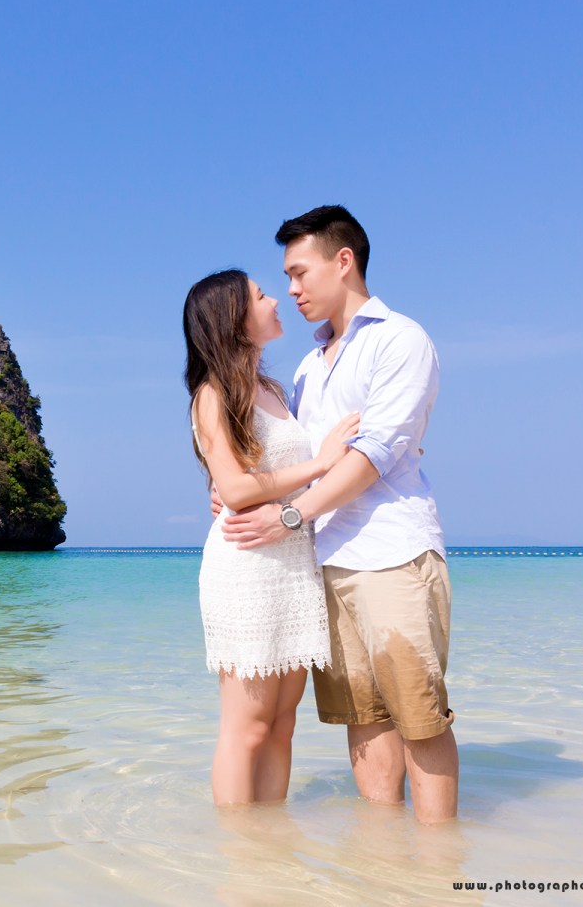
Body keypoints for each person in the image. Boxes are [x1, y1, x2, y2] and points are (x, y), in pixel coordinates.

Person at [218, 205, 458, 824]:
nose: (291, 290)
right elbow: (293, 457)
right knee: (363, 718)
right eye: (285, 280)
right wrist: (235, 492)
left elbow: (371, 456)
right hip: (324, 563)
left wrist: (289, 517)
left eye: (299, 273)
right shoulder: (307, 366)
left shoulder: (400, 339)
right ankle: (383, 863)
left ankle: (438, 867)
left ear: (342, 260)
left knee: (419, 717)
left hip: (392, 554)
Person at [184, 269, 360, 806]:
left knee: (283, 726)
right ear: (234, 316)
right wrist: (320, 463)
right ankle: (238, 859)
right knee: (248, 728)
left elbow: (240, 480)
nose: (276, 299)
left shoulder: (273, 391)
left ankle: (270, 848)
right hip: (246, 567)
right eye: (262, 295)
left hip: (291, 563)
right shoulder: (212, 395)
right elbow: (236, 489)